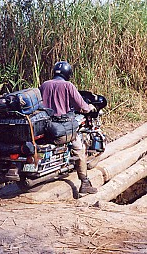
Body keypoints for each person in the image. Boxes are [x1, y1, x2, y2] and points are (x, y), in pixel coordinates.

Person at [39, 61, 98, 194]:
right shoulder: (68, 85)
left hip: (46, 125)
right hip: (62, 126)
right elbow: (82, 106)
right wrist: (90, 108)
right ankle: (84, 183)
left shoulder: (44, 85)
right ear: (68, 74)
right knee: (79, 148)